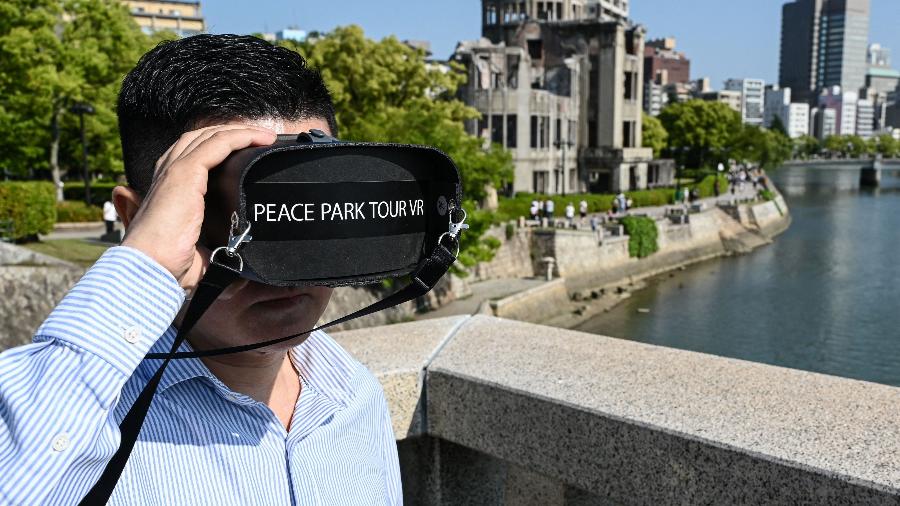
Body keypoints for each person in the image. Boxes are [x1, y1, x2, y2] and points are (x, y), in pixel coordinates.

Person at [0, 35, 400, 505]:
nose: (284, 270)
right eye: (223, 211)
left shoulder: (354, 396)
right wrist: (143, 262)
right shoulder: (84, 412)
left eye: (304, 205)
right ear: (135, 219)